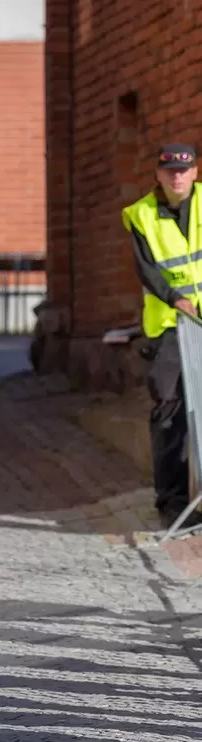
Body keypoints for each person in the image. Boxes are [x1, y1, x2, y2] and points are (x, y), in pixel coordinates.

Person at [122, 143, 202, 528]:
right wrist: (176, 298)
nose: (177, 176)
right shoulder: (142, 215)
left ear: (195, 172)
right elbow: (146, 270)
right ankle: (171, 501)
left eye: (184, 169)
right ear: (158, 174)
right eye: (170, 169)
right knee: (170, 412)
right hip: (169, 327)